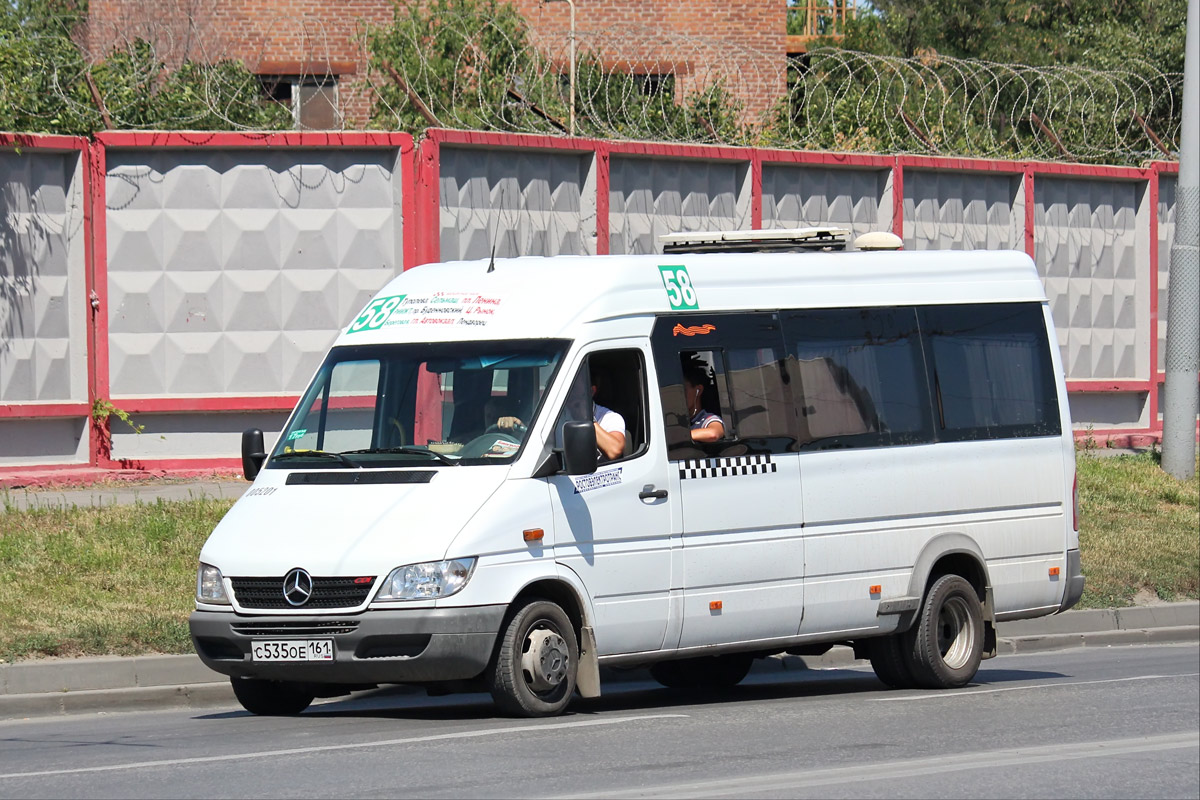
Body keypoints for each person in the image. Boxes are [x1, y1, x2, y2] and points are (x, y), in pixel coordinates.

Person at [682, 361, 725, 443]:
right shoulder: (679, 421)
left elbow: (713, 433)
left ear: (699, 390)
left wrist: (680, 436)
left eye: (683, 390)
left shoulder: (706, 419)